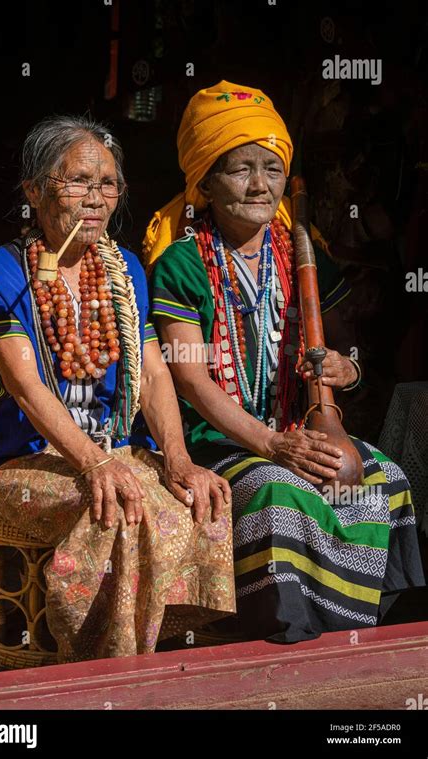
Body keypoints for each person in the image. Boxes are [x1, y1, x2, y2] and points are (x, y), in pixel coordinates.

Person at [145, 81, 425, 643]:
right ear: (205, 181)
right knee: (281, 489)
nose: (259, 185)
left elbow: (349, 348)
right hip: (219, 442)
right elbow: (190, 377)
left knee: (385, 477)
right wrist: (271, 444)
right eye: (239, 168)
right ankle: (285, 634)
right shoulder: (181, 262)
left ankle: (358, 631)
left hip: (298, 429)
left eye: (271, 168)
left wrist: (348, 369)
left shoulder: (303, 248)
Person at [0, 115, 236, 663]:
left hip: (112, 448)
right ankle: (99, 662)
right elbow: (24, 387)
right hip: (22, 459)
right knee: (113, 509)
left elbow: (156, 373)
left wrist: (177, 459)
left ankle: (173, 645)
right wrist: (92, 463)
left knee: (202, 495)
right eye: (79, 181)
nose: (96, 198)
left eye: (108, 184)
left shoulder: (124, 267)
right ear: (35, 191)